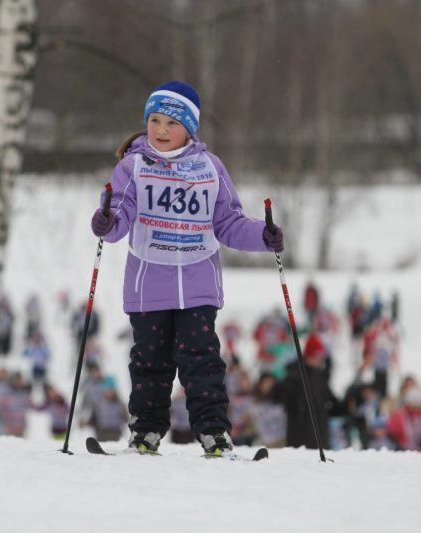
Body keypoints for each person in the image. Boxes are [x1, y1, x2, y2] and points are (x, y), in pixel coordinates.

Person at [90, 80, 284, 456]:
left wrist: (265, 235)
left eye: (172, 123)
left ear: (190, 128)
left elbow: (228, 223)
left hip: (198, 282)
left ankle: (214, 433)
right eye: (155, 121)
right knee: (150, 361)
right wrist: (105, 222)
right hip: (149, 284)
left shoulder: (210, 168)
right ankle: (145, 433)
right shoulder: (134, 167)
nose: (161, 130)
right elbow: (117, 218)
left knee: (202, 360)